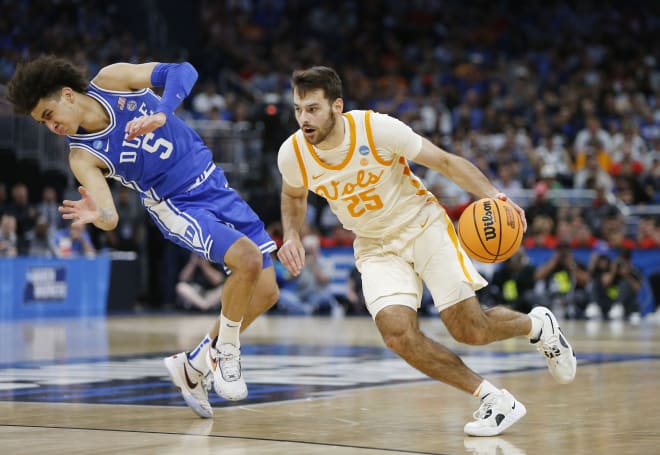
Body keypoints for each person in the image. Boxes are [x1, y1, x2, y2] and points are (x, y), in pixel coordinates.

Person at [276, 67, 577, 437]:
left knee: (468, 329)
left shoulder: (376, 129)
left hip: (421, 224)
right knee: (397, 333)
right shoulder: (292, 154)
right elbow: (293, 195)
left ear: (337, 106)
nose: (304, 119)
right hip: (374, 244)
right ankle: (493, 400)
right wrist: (291, 234)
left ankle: (538, 326)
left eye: (313, 109)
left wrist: (494, 196)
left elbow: (445, 162)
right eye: (298, 109)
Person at [6, 56, 280, 418]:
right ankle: (225, 352)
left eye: (48, 113)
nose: (50, 125)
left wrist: (164, 111)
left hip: (213, 182)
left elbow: (184, 71)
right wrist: (97, 215)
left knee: (267, 290)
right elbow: (110, 217)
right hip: (175, 203)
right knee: (245, 260)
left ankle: (195, 364)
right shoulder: (81, 156)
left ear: (68, 95)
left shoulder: (112, 80)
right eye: (43, 122)